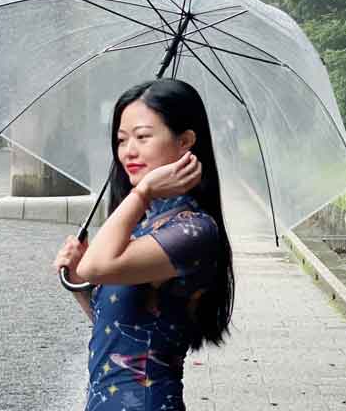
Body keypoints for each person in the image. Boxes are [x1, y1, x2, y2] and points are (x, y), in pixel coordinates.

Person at [53, 79, 234, 411]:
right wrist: (80, 284)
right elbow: (121, 327)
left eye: (142, 136)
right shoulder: (145, 223)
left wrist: (142, 191)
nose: (128, 151)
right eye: (122, 140)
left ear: (186, 141)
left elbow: (98, 266)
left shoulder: (193, 230)